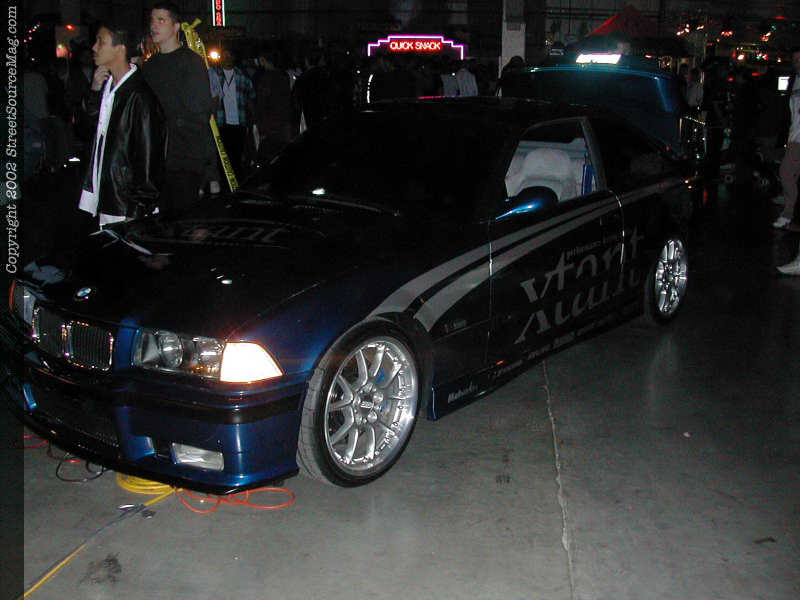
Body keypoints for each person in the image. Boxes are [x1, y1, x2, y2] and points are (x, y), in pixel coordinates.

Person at [78, 22, 164, 227]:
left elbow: (148, 157)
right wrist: (94, 91)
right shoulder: (107, 86)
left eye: (101, 41)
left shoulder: (139, 96)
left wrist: (137, 210)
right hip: (106, 195)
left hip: (124, 203)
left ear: (120, 48)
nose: (94, 47)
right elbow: (86, 132)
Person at [142, 1, 212, 218]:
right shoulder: (149, 67)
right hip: (155, 161)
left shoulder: (191, 63)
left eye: (161, 20)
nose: (154, 25)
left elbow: (200, 117)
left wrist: (208, 171)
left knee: (181, 222)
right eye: (152, 20)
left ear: (176, 26)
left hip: (183, 162)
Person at [211, 50, 256, 172]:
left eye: (229, 56)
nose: (227, 59)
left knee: (237, 155)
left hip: (239, 123)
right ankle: (223, 179)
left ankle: (237, 179)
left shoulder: (243, 76)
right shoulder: (214, 75)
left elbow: (251, 98)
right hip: (221, 122)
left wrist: (253, 120)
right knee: (222, 157)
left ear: (234, 58)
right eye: (224, 56)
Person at [774, 47, 800, 231]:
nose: (797, 63)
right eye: (795, 60)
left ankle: (789, 214)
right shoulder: (795, 81)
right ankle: (790, 214)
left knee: (786, 172)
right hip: (794, 135)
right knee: (790, 175)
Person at [253, 52, 292, 165]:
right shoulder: (283, 76)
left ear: (263, 60)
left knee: (270, 157)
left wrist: (261, 127)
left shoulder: (266, 78)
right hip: (283, 123)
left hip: (270, 125)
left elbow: (262, 103)